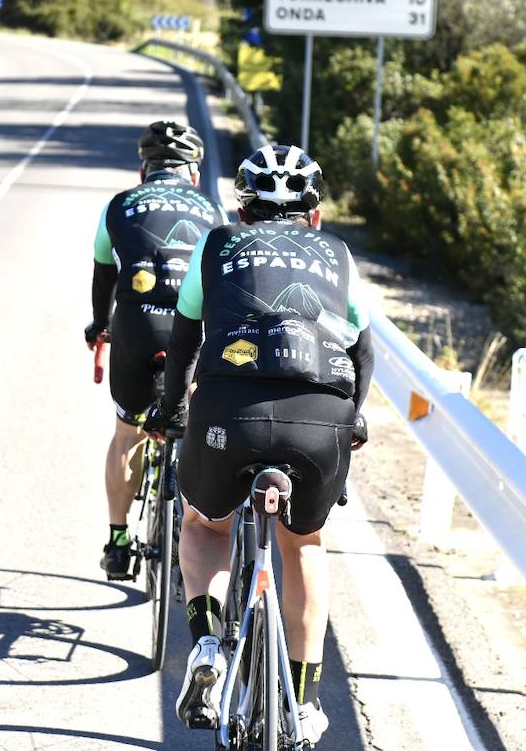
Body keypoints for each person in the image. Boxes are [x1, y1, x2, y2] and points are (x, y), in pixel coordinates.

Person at [144, 144, 374, 747]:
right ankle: (304, 699)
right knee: (304, 545)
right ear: (315, 216)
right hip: (320, 416)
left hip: (230, 410)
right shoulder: (339, 255)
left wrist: (171, 413)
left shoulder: (216, 245)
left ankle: (206, 644)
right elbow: (363, 350)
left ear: (239, 213)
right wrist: (354, 418)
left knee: (204, 526)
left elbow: (185, 340)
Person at [85, 121, 228, 580]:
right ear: (194, 173)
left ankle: (119, 540)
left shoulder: (119, 205)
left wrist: (99, 326)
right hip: (195, 328)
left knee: (128, 433)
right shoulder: (212, 208)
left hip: (137, 323)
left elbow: (104, 273)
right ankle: (198, 532)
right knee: (195, 423)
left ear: (143, 168)